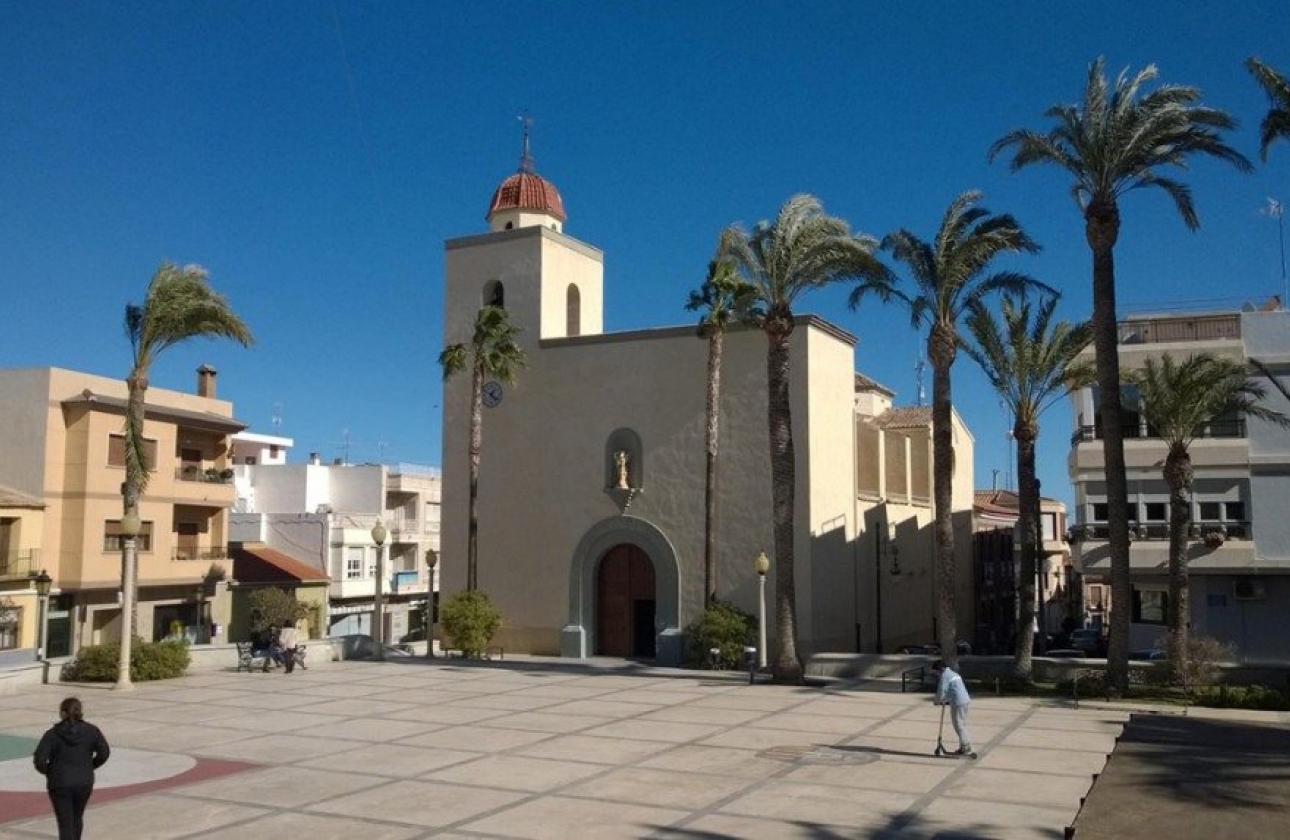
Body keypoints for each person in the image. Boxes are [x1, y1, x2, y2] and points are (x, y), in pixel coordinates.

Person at [32, 697, 110, 840]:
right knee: (77, 817)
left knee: (65, 822)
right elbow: (104, 753)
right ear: (80, 712)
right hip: (84, 781)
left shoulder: (52, 734)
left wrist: (51, 771)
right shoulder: (92, 731)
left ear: (62, 713)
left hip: (60, 782)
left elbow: (39, 760)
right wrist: (90, 766)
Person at [931, 659, 974, 756]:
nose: (937, 674)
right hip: (964, 700)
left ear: (940, 669)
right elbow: (952, 690)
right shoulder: (953, 673)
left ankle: (966, 747)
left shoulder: (945, 675)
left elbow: (942, 690)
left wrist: (937, 701)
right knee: (961, 724)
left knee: (959, 725)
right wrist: (944, 699)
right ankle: (963, 747)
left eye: (936, 671)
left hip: (958, 702)